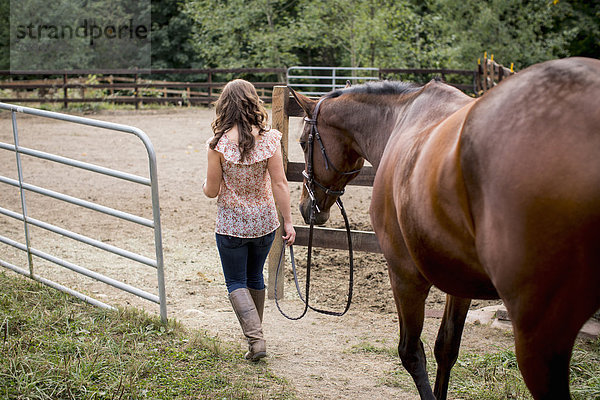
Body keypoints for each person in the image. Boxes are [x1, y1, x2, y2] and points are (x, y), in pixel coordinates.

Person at [203, 79, 295, 361]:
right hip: (264, 222)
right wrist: (288, 222)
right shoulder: (270, 139)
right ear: (253, 102)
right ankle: (257, 336)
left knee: (235, 281)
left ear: (224, 106)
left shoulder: (217, 144)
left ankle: (256, 340)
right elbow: (280, 184)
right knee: (255, 276)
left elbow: (212, 190)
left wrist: (203, 186)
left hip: (231, 225)